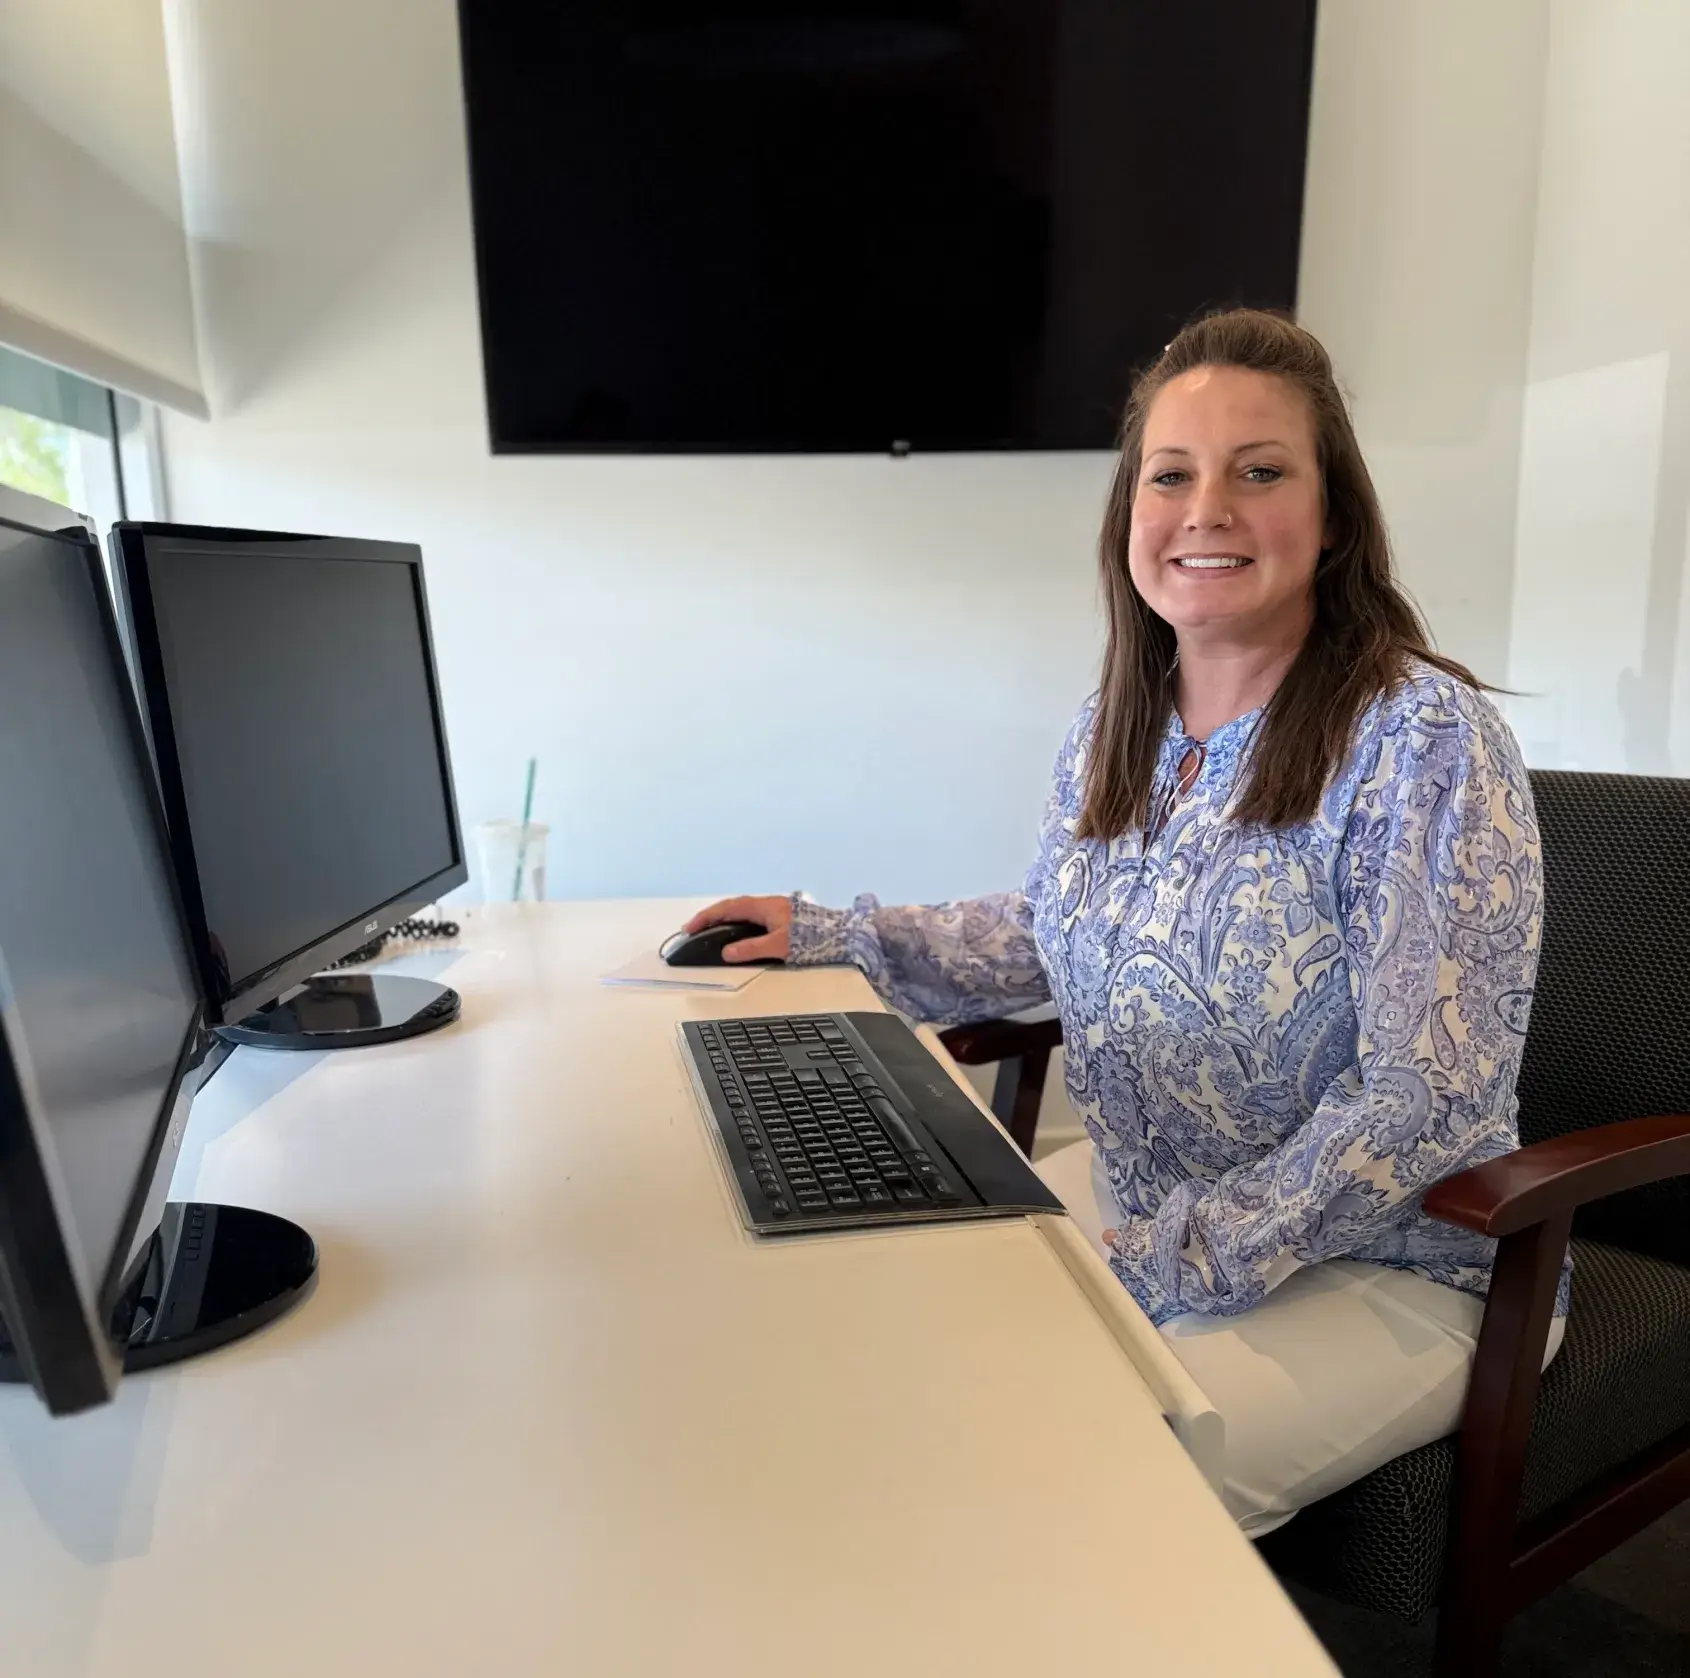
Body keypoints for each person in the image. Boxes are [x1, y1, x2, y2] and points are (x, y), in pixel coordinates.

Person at [684, 308, 1564, 1536]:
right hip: (1145, 1206)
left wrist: (1164, 1262)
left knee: (1063, 1497)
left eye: (1260, 472)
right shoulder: (1123, 726)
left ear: (1333, 516)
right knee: (863, 1367)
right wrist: (841, 934)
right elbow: (1054, 927)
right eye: (1171, 474)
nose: (1207, 508)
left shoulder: (1421, 741)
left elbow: (1425, 1104)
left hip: (1395, 1264)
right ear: (1129, 517)